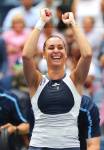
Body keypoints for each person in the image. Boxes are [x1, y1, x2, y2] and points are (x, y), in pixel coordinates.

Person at [22, 8, 92, 150]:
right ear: (44, 54)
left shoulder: (75, 79)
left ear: (66, 54)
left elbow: (87, 54)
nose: (56, 51)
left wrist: (73, 23)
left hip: (70, 147)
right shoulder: (36, 80)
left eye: (60, 47)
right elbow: (26, 56)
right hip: (39, 146)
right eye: (51, 47)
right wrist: (41, 22)